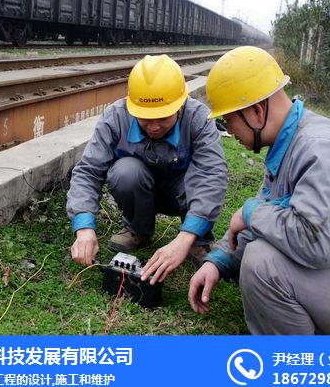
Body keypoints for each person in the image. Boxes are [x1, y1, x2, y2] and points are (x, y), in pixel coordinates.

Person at [189, 46, 330, 334]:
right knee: (264, 241)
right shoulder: (294, 142)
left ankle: (300, 370)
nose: (230, 132)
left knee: (262, 264)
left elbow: (319, 243)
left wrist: (251, 212)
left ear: (256, 112)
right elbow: (269, 213)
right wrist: (218, 262)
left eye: (230, 120)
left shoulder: (321, 150)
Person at [67, 54, 227, 284]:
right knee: (124, 172)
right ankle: (138, 230)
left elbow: (212, 175)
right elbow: (88, 170)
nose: (153, 127)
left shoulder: (198, 119)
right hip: (139, 190)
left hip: (181, 192)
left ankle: (196, 239)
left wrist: (184, 238)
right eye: (144, 118)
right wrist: (83, 228)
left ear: (180, 106)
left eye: (162, 117)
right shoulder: (115, 117)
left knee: (199, 177)